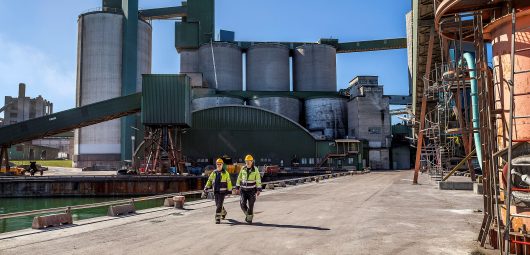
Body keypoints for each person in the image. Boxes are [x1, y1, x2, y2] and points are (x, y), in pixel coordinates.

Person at [204, 158, 233, 224]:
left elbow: (229, 182)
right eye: (217, 164)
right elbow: (209, 181)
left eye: (220, 164)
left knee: (219, 205)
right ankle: (224, 212)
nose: (219, 165)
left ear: (222, 164)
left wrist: (229, 191)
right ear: (216, 164)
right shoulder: (214, 173)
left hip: (222, 192)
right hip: (216, 191)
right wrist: (206, 188)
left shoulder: (226, 173)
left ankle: (217, 218)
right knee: (218, 204)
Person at [235, 154, 262, 224]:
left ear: (252, 161)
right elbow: (239, 178)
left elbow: (258, 180)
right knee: (242, 203)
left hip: (252, 191)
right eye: (246, 161)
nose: (247, 162)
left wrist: (259, 189)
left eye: (249, 161)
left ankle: (249, 219)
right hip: (243, 190)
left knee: (251, 205)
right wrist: (237, 187)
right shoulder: (243, 168)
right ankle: (249, 215)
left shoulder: (255, 169)